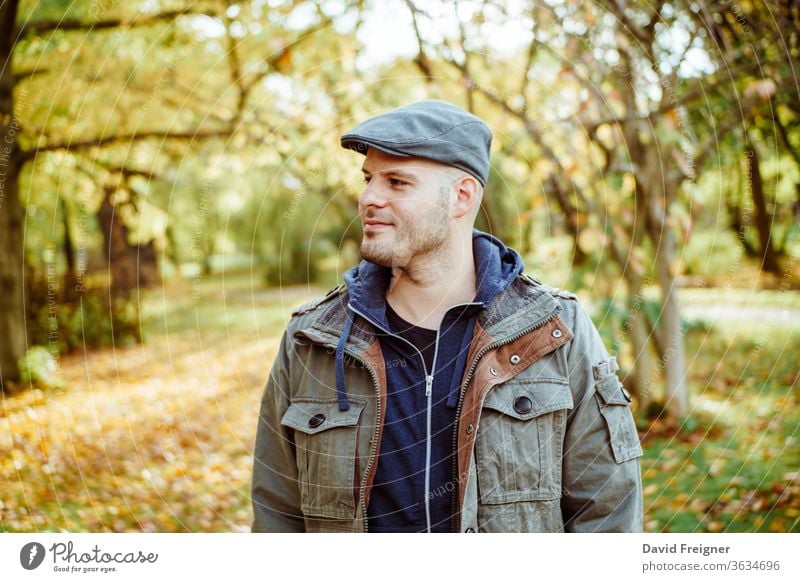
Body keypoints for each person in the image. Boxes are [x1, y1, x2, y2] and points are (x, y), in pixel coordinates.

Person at [251, 99, 643, 533]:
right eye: (368, 180)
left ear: (461, 196)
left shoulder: (553, 331)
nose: (367, 198)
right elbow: (277, 515)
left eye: (397, 182)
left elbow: (608, 513)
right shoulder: (312, 339)